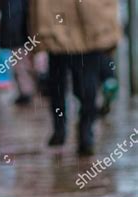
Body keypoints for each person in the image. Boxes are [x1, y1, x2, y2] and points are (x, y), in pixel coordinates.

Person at [29, 0, 121, 155]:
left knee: (59, 82)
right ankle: (85, 131)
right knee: (86, 82)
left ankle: (62, 128)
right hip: (88, 27)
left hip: (59, 27)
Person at [0, 0, 34, 105]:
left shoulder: (13, 4)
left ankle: (26, 92)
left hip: (18, 38)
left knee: (20, 66)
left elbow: (12, 20)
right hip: (21, 37)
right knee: (22, 65)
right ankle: (26, 90)